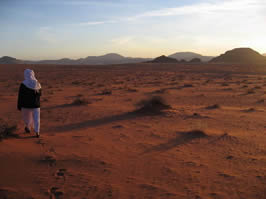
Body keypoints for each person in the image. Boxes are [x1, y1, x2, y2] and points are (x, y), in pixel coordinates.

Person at [17, 69, 42, 138]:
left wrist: (19, 105)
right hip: (36, 105)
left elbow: (20, 96)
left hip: (26, 105)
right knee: (37, 119)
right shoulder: (38, 83)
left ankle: (28, 127)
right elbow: (40, 94)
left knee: (27, 118)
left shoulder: (23, 84)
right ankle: (37, 132)